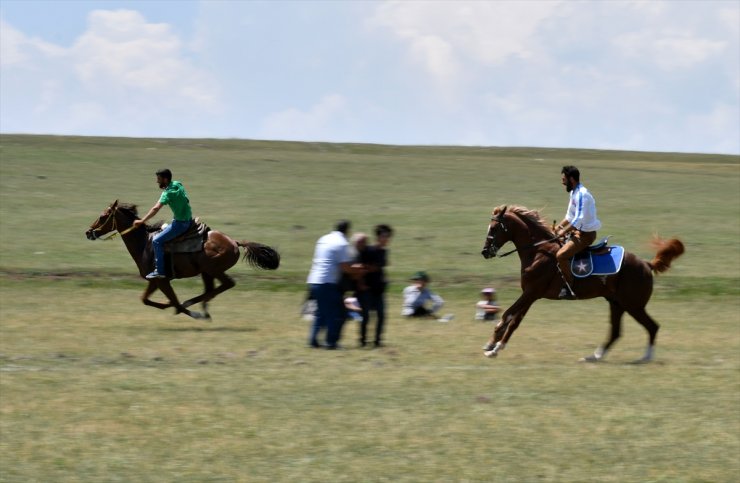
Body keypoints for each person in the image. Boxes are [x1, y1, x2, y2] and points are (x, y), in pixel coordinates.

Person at [306, 220, 363, 349]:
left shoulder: (323, 239)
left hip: (314, 280)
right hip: (327, 282)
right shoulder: (342, 243)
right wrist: (359, 269)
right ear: (347, 230)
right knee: (337, 313)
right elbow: (344, 267)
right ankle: (331, 343)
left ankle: (313, 341)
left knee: (321, 312)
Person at [133, 169, 193, 279]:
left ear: (165, 179)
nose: (157, 182)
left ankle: (160, 270)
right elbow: (186, 200)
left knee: (156, 241)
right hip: (188, 219)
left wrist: (142, 221)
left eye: (159, 179)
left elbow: (155, 208)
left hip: (180, 224)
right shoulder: (178, 184)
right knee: (163, 227)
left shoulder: (167, 193)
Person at [554, 165, 602, 299]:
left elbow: (578, 219)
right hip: (577, 232)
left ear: (572, 179)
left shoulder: (582, 194)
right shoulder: (573, 192)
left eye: (564, 179)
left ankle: (569, 286)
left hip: (585, 235)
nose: (562, 182)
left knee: (561, 255)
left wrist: (562, 233)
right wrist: (557, 228)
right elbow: (569, 216)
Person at [357, 224, 393, 348]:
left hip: (379, 289)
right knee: (365, 316)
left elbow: (379, 268)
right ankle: (362, 341)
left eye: (388, 236)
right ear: (378, 237)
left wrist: (385, 279)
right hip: (367, 289)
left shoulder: (384, 252)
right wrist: (361, 284)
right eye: (384, 236)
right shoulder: (368, 250)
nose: (386, 239)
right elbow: (360, 268)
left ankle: (377, 341)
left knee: (382, 315)